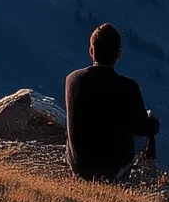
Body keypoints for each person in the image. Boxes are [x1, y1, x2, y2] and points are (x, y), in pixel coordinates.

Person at [64, 22, 161, 181]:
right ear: (119, 53)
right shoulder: (128, 86)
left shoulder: (72, 79)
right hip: (112, 167)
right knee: (147, 134)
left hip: (79, 165)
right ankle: (148, 180)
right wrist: (153, 121)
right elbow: (143, 128)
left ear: (91, 51)